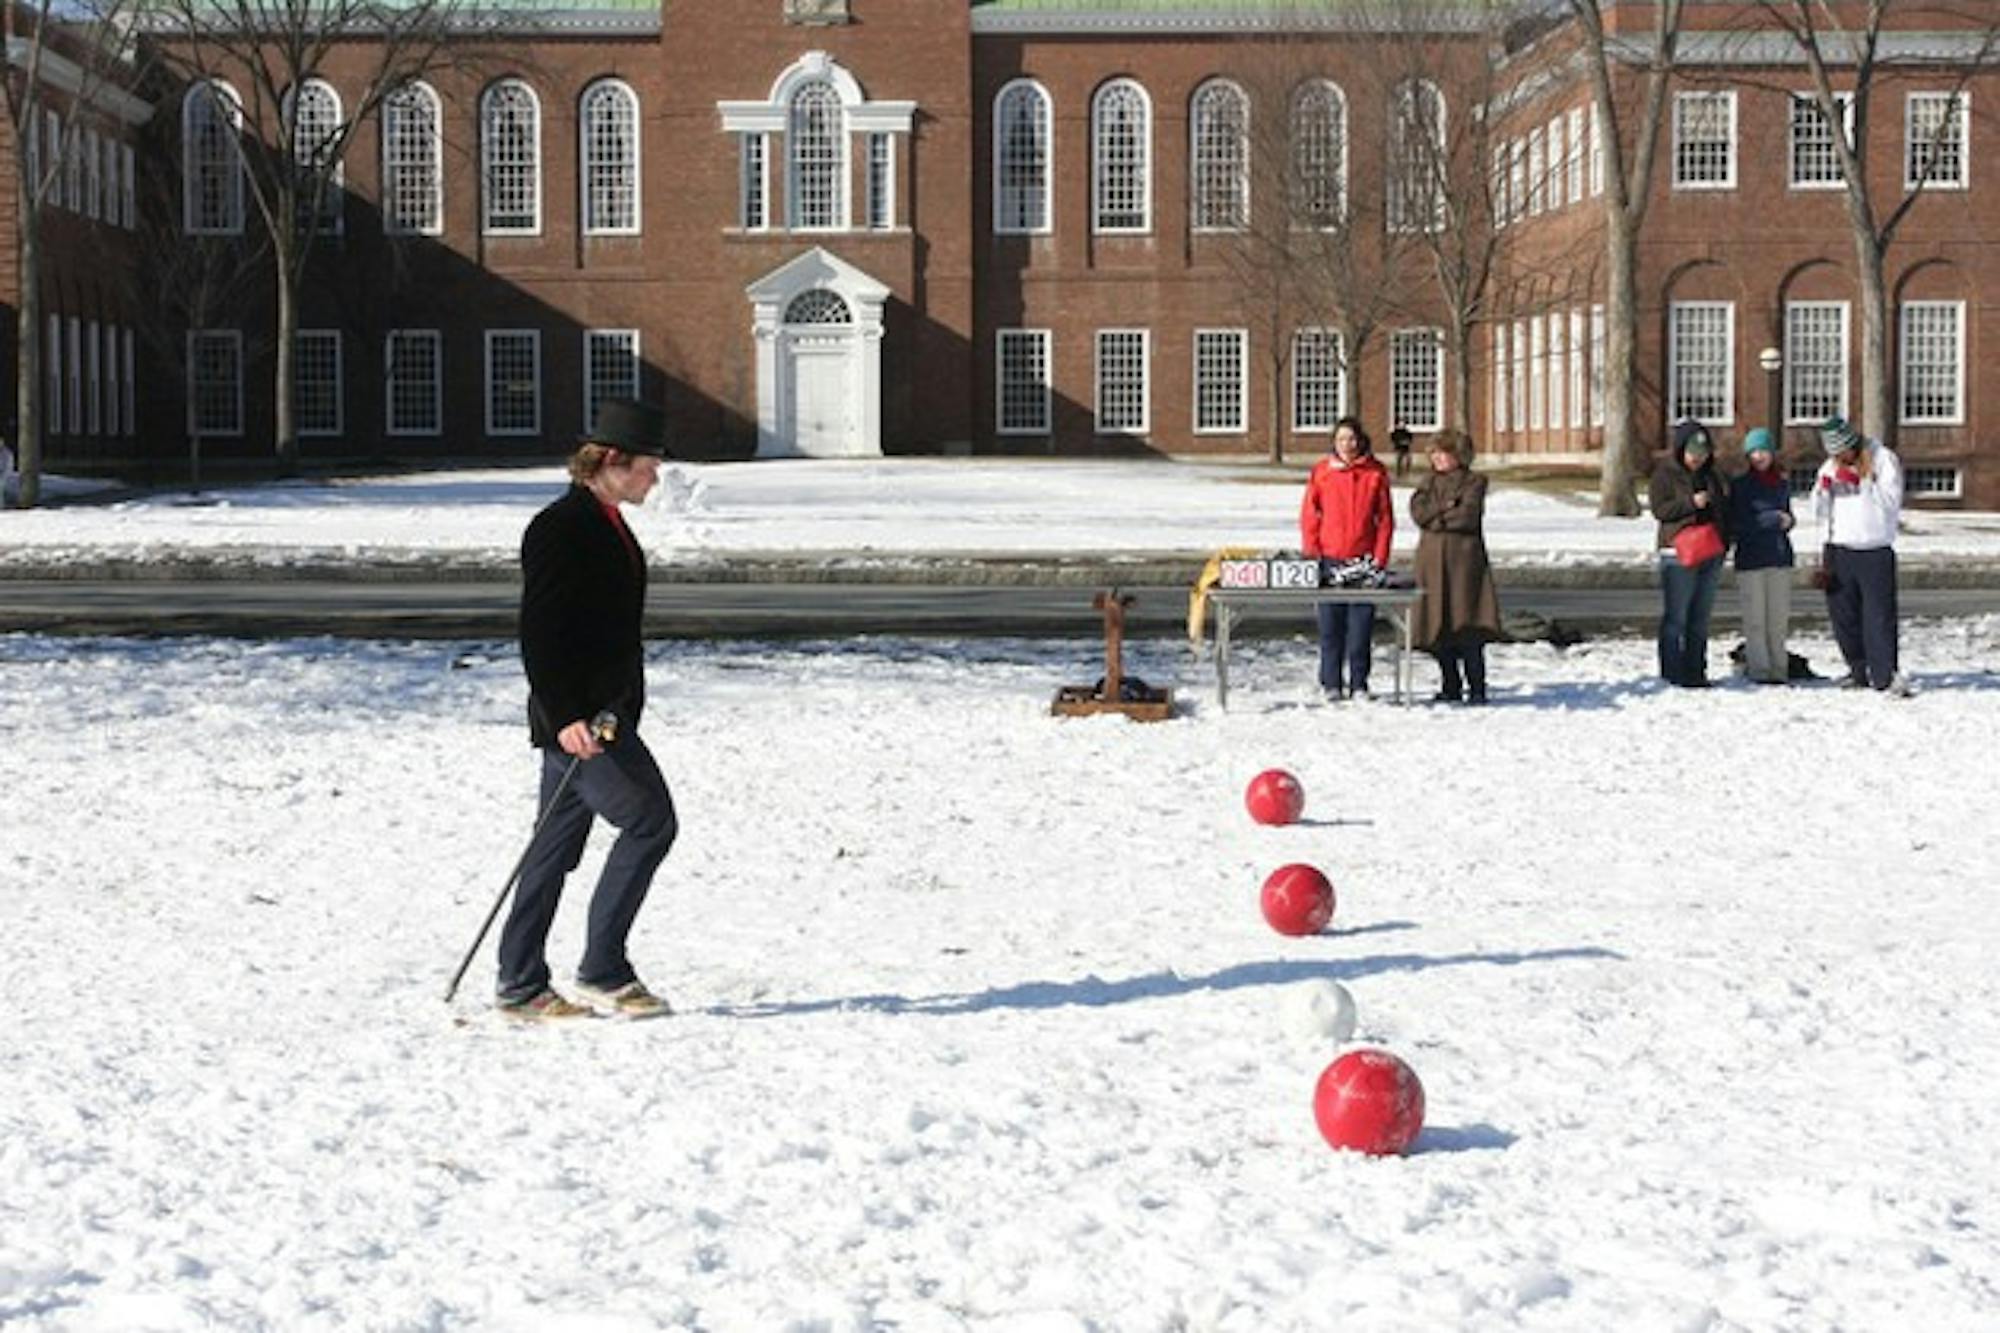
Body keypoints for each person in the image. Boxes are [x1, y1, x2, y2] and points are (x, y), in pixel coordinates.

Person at [500, 398, 679, 1020]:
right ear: (610, 460)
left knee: (550, 849)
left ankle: (520, 984)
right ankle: (603, 969)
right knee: (651, 821)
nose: (655, 478)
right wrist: (567, 716)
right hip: (583, 723)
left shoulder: (604, 520)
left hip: (597, 717)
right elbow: (540, 635)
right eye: (647, 467)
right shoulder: (560, 527)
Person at [1299, 416, 1394, 700]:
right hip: (1329, 558)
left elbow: (1385, 519)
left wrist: (1379, 559)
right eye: (1341, 439)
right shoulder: (1322, 472)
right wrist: (1312, 553)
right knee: (1330, 628)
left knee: (1361, 629)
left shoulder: (1375, 472)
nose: (1346, 445)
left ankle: (1359, 683)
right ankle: (1330, 683)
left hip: (1363, 561)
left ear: (1360, 440)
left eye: (1351, 439)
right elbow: (1309, 515)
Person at [1814, 415, 1907, 695]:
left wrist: (1863, 482)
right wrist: (1823, 491)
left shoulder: (1882, 459)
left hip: (1874, 548)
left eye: (1843, 452)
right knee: (1845, 617)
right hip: (1840, 548)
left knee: (1877, 616)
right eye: (1835, 454)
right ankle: (1857, 669)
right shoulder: (1831, 466)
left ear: (1853, 444)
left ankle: (1884, 674)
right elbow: (1818, 509)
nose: (1840, 458)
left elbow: (1892, 502)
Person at [1409, 430, 1502, 704]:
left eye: (1443, 452)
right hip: (1431, 564)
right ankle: (1450, 683)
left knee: (1467, 625)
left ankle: (1477, 686)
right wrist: (1445, 508)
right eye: (1434, 453)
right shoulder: (1427, 482)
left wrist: (1437, 515)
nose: (1437, 458)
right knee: (1438, 625)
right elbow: (1418, 513)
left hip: (1464, 566)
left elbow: (1467, 517)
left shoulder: (1474, 482)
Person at [1649, 418, 1731, 688]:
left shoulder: (1714, 476)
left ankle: (1696, 671)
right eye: (1692, 453)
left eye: (1702, 453)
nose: (1697, 459)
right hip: (1678, 553)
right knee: (1676, 617)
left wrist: (1725, 538)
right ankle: (1672, 673)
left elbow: (1724, 510)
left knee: (1700, 617)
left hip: (1710, 550)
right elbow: (1660, 510)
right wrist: (1690, 504)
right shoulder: (1665, 475)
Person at [1729, 427, 1796, 685]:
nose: (1759, 457)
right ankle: (1759, 670)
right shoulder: (1740, 486)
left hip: (1779, 557)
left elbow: (1787, 515)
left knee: (1777, 620)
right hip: (1750, 559)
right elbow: (1739, 523)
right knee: (1755, 620)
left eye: (1764, 451)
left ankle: (1780, 669)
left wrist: (1788, 521)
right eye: (1754, 452)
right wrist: (1771, 519)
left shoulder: (1781, 484)